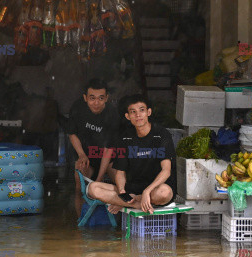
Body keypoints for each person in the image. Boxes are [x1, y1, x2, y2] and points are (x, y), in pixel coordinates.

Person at [88, 94, 176, 214]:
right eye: (133, 112)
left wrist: (146, 191)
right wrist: (122, 192)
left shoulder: (161, 134)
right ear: (128, 116)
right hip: (133, 187)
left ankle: (133, 201)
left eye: (141, 110)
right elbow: (120, 172)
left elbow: (166, 171)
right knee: (93, 188)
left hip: (155, 187)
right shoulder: (125, 138)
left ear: (149, 112)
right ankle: (137, 204)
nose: (138, 115)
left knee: (164, 193)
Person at [67, 78, 119, 216]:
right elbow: (72, 134)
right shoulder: (77, 108)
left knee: (122, 183)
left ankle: (122, 215)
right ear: (85, 98)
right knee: (79, 183)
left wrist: (100, 178)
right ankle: (81, 221)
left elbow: (109, 149)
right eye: (92, 98)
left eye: (101, 98)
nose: (96, 103)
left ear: (107, 98)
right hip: (86, 155)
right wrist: (81, 154)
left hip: (108, 157)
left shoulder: (112, 115)